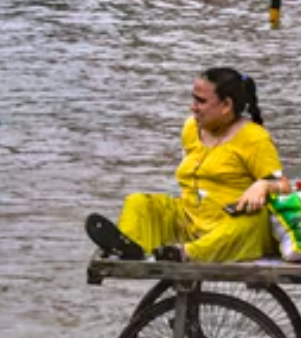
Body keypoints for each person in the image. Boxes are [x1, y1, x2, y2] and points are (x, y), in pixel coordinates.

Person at [85, 67, 289, 263]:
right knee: (139, 202)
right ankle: (130, 249)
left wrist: (263, 185)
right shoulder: (191, 127)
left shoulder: (254, 138)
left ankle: (185, 254)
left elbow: (285, 187)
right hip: (189, 219)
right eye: (193, 99)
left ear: (226, 105)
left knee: (250, 222)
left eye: (200, 101)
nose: (193, 107)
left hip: (231, 228)